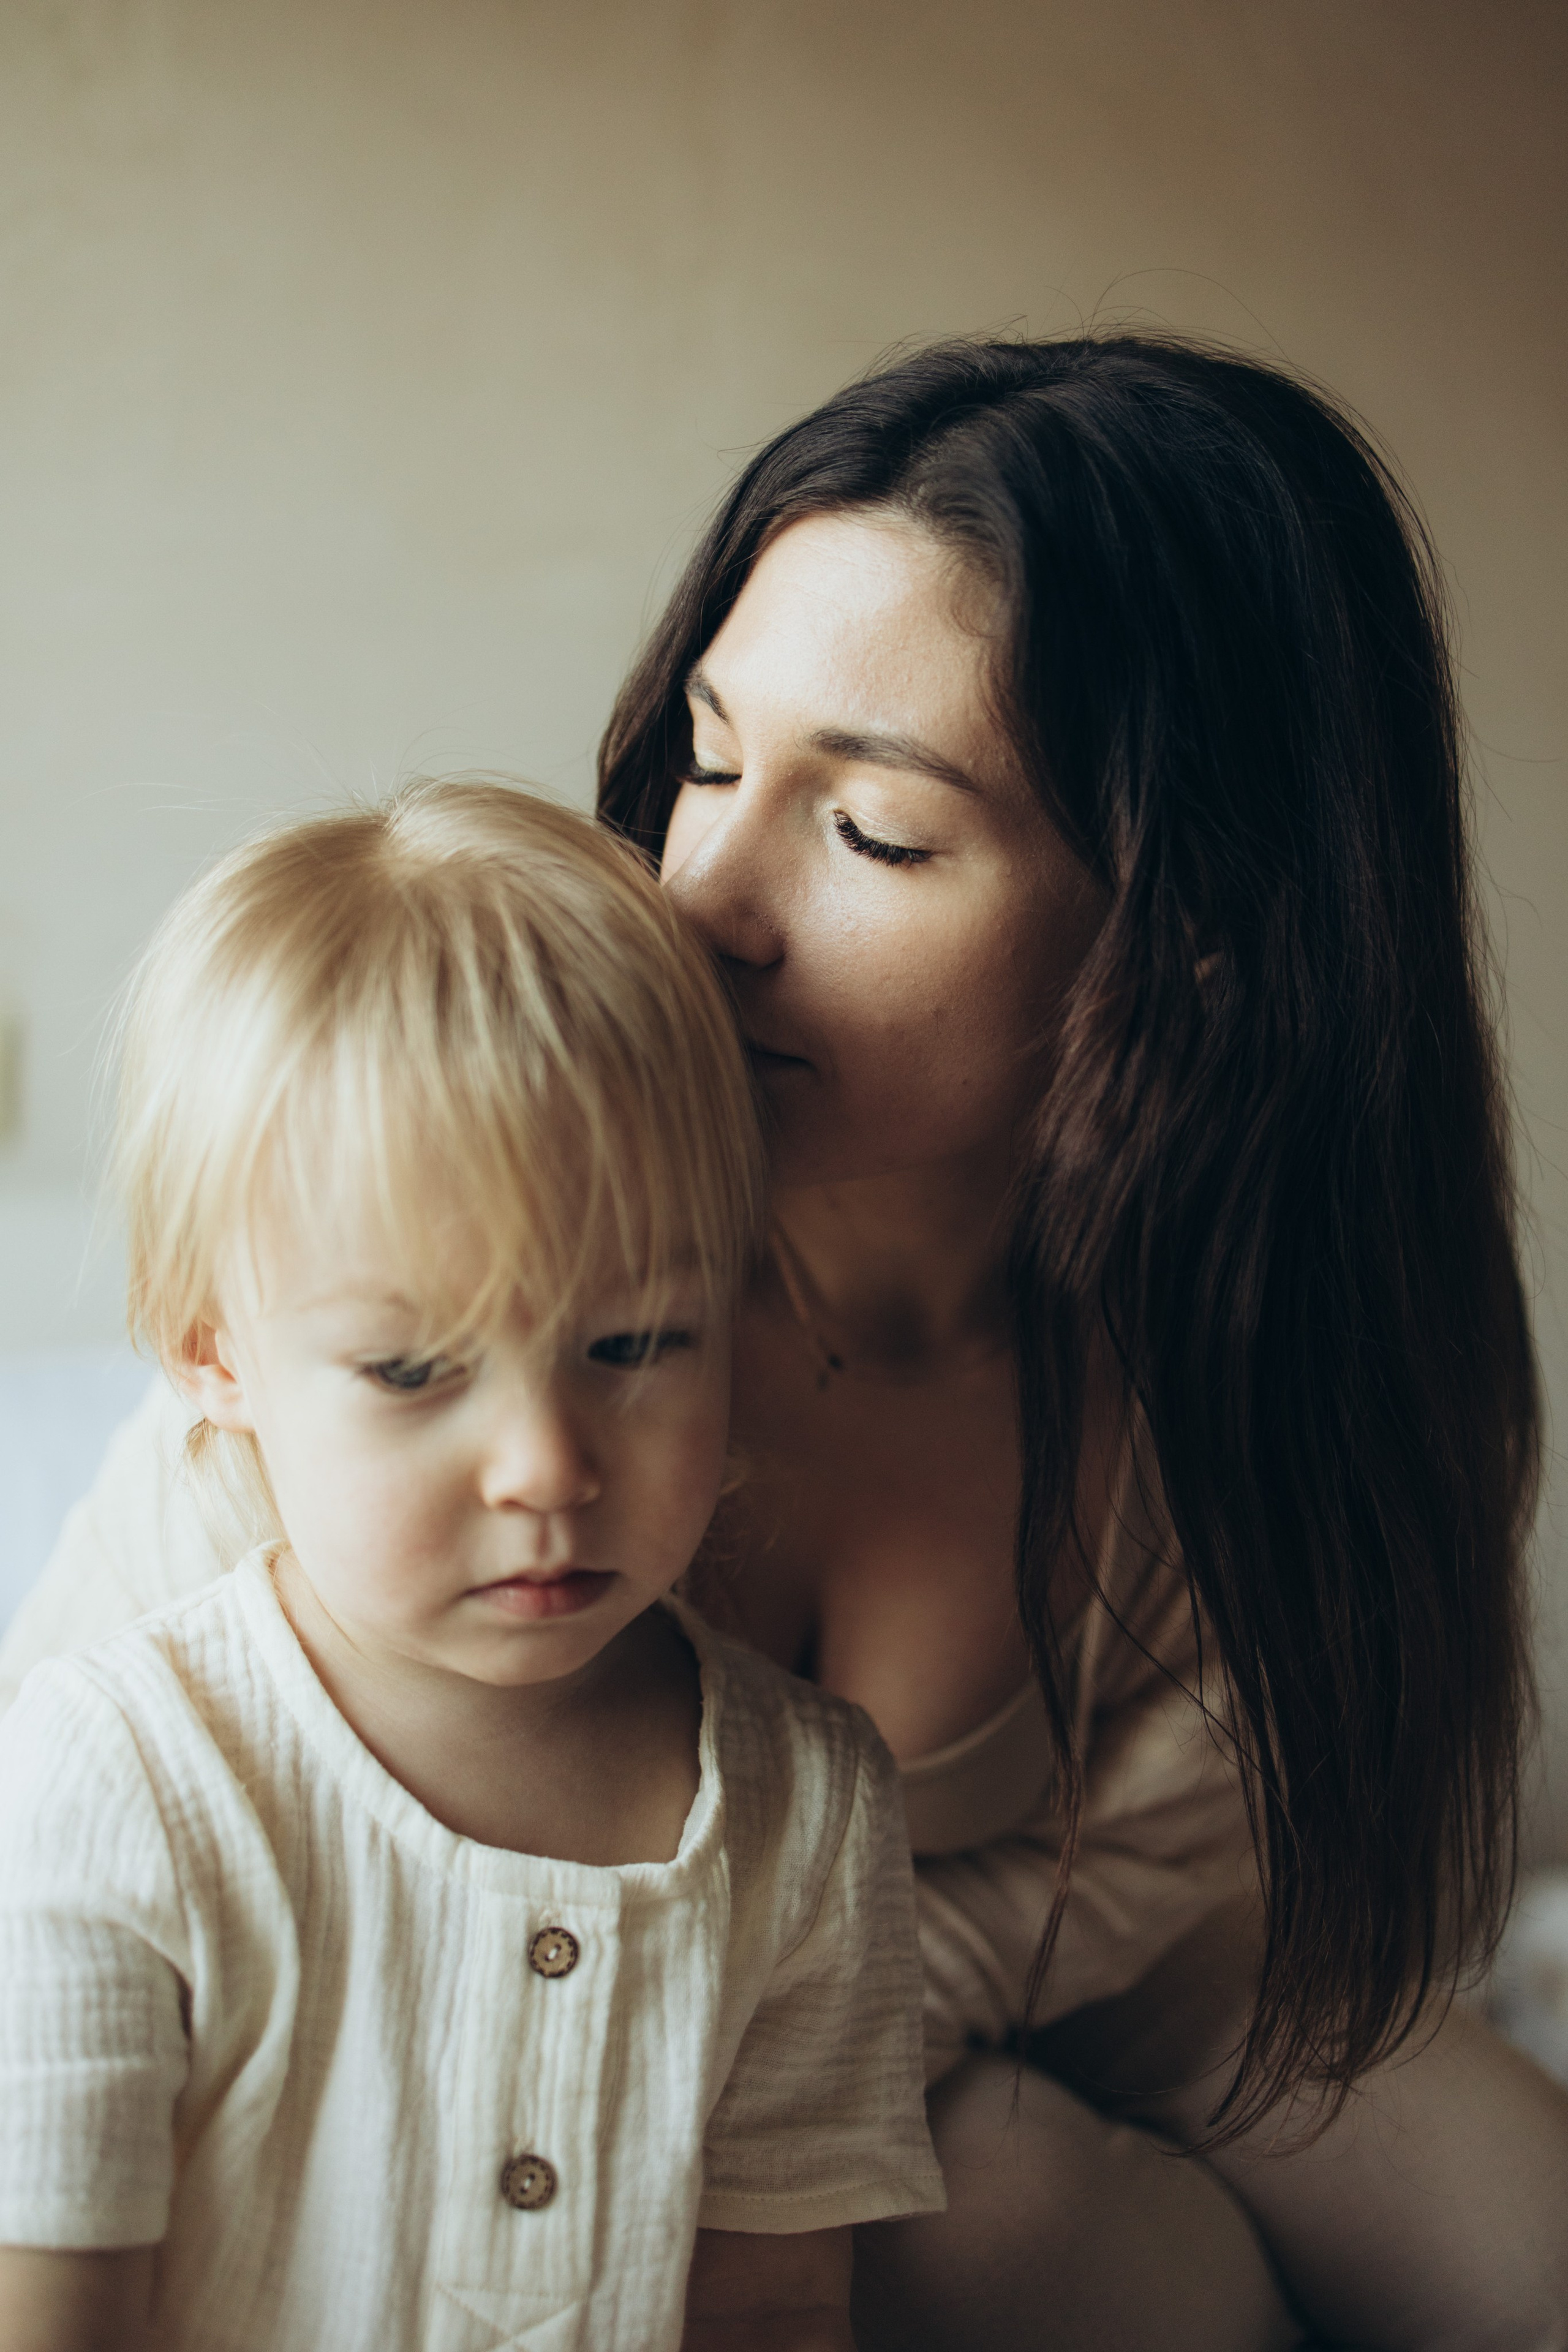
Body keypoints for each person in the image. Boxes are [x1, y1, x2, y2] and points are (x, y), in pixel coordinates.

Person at [6, 334, 1568, 2348]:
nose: (705, 894)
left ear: (1187, 934)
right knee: (1018, 2222)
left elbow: (1208, 1912)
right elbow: (74, 1857)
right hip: (691, 2035)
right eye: (713, 761)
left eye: (878, 834)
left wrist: (874, 1984)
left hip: (1150, 1976)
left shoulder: (1227, 1352)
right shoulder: (472, 1243)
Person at [0, 781, 943, 2352]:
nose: (548, 1468)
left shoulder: (812, 1810)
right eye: (415, 1372)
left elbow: (775, 2303)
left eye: (634, 1343)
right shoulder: (122, 1775)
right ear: (211, 1356)